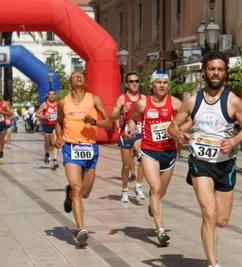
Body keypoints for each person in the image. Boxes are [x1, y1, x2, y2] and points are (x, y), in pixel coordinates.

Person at [168, 50, 242, 267]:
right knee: (209, 212)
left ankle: (210, 248)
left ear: (225, 72)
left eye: (220, 69)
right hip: (200, 162)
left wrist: (233, 142)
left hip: (225, 164)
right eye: (212, 69)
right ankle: (213, 264)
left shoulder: (233, 101)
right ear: (204, 71)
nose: (216, 73)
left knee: (220, 221)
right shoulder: (192, 101)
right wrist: (180, 135)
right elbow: (172, 127)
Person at [124, 70, 187, 247]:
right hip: (149, 150)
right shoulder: (142, 104)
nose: (162, 86)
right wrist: (130, 131)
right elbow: (133, 121)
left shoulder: (175, 103)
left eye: (165, 83)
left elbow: (189, 120)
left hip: (169, 152)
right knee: (155, 187)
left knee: (160, 192)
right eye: (158, 82)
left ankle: (154, 204)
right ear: (151, 84)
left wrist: (179, 131)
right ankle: (160, 231)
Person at [54, 72, 112, 247]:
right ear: (70, 83)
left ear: (86, 82)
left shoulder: (94, 99)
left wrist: (94, 122)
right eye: (74, 76)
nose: (78, 76)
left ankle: (69, 194)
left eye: (81, 75)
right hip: (70, 148)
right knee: (78, 189)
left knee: (84, 193)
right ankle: (81, 229)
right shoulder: (63, 102)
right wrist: (58, 137)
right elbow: (58, 122)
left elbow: (109, 123)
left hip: (89, 149)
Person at [109, 72, 146, 202]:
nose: (134, 83)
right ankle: (124, 189)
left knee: (142, 157)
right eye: (131, 81)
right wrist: (121, 111)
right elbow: (112, 117)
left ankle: (139, 186)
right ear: (127, 84)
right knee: (126, 165)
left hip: (139, 133)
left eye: (136, 81)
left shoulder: (144, 98)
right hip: (125, 135)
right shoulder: (122, 99)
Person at [36, 89, 60, 169]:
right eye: (50, 94)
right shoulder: (44, 105)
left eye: (53, 94)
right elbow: (37, 114)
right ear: (48, 95)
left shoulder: (58, 104)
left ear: (55, 95)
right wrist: (44, 116)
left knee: (54, 143)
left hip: (55, 125)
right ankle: (46, 154)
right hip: (47, 125)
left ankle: (55, 160)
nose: (52, 96)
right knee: (47, 143)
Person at [0, 91, 13, 161]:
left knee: (1, 140)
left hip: (1, 124)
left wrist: (2, 112)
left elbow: (10, 113)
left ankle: (1, 151)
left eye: (0, 95)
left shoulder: (5, 103)